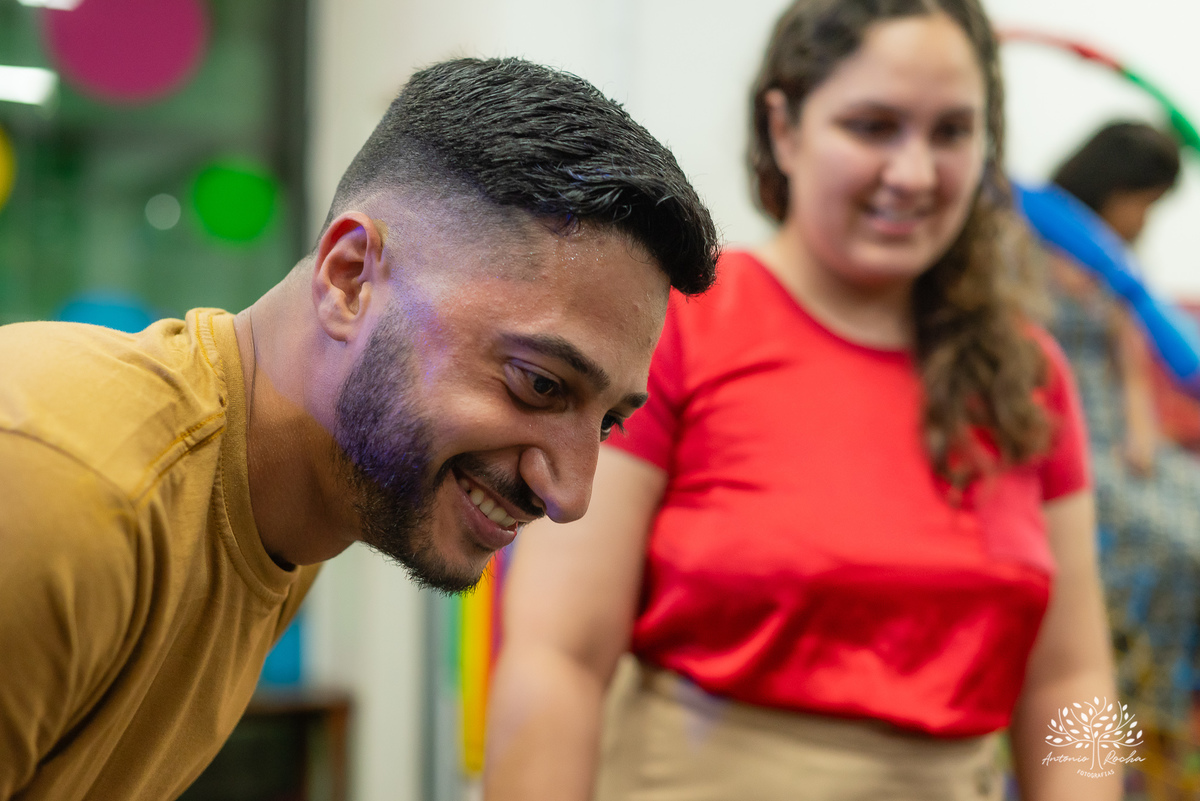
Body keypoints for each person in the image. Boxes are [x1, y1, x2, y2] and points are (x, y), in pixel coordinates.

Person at [0, 57, 718, 801]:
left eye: (607, 423)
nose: (570, 494)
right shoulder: (61, 488)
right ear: (349, 278)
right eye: (538, 383)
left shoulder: (291, 507)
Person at [485, 3, 1118, 800]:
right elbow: (556, 656)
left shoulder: (1029, 373)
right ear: (784, 128)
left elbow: (1077, 680)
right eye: (873, 126)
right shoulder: (675, 327)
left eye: (951, 132)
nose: (915, 172)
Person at [1043, 121, 1200, 774]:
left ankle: (1163, 720)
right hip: (1058, 440)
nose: (1145, 220)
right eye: (1147, 201)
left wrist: (1143, 433)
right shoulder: (1024, 238)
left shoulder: (1110, 263)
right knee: (1180, 544)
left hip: (1123, 442)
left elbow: (1133, 361)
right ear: (1116, 186)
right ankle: (1137, 725)